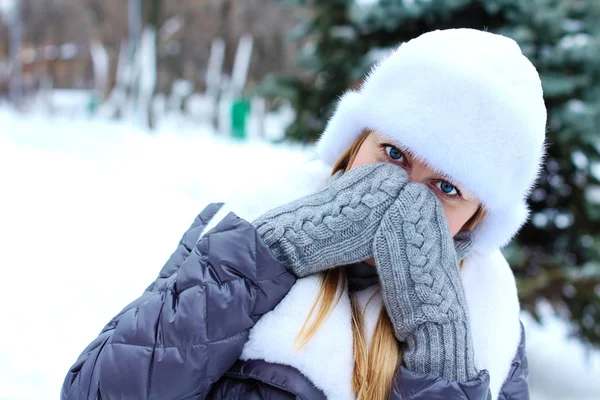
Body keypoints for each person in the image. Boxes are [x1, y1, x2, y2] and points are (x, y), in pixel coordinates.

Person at [61, 28, 545, 400]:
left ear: (478, 217)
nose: (405, 200)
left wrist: (440, 348)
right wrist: (266, 256)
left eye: (446, 187)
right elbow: (97, 389)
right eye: (394, 155)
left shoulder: (490, 326)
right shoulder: (248, 222)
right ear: (357, 142)